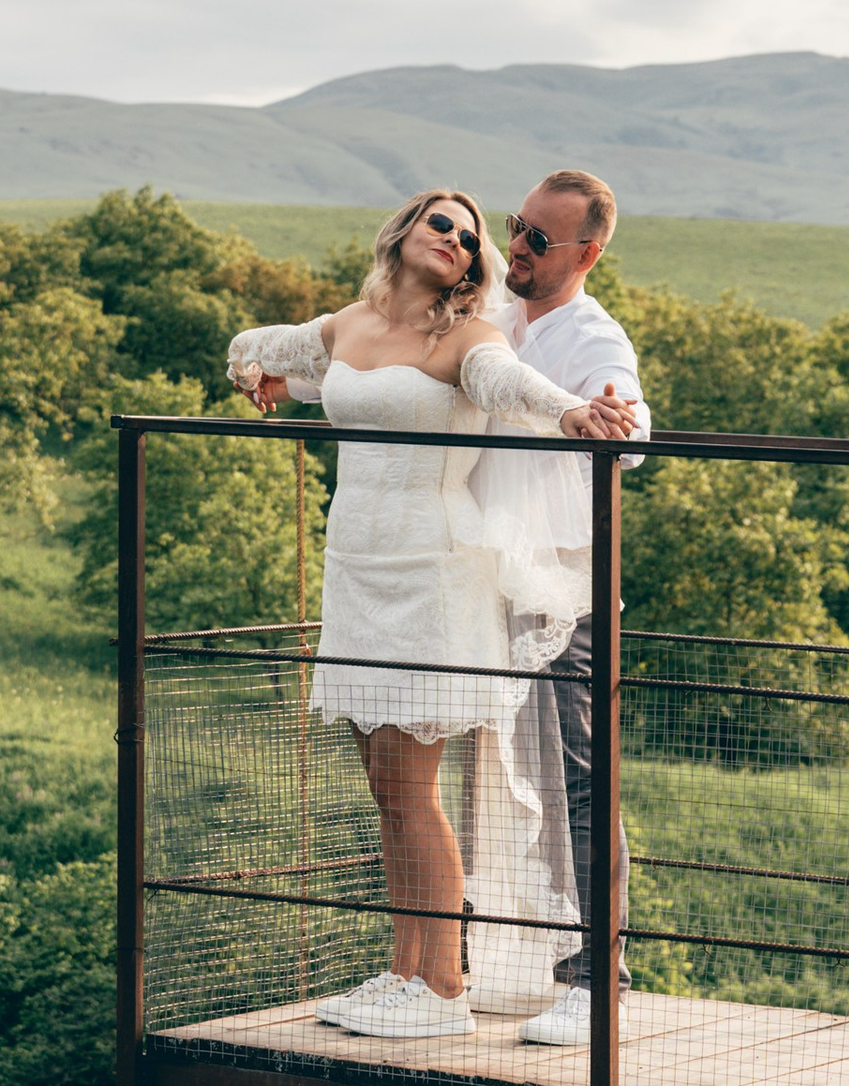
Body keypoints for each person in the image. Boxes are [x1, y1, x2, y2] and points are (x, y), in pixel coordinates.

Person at [227, 188, 641, 1040]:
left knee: (524, 783)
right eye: (504, 228)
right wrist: (265, 376)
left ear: (584, 253)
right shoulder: (378, 321)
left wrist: (580, 413)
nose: (493, 241)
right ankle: (407, 968)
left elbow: (517, 389)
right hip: (360, 570)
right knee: (389, 789)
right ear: (404, 232)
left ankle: (487, 984)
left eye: (486, 233)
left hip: (477, 573)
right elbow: (335, 371)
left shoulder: (505, 334)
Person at [494, 171, 650, 1047]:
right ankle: (503, 961)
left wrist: (617, 420)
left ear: (586, 254)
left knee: (580, 779)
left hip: (564, 596)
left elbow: (629, 423)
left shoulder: (593, 337)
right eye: (516, 225)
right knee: (502, 776)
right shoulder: (498, 313)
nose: (516, 246)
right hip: (489, 583)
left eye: (538, 239)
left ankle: (600, 982)